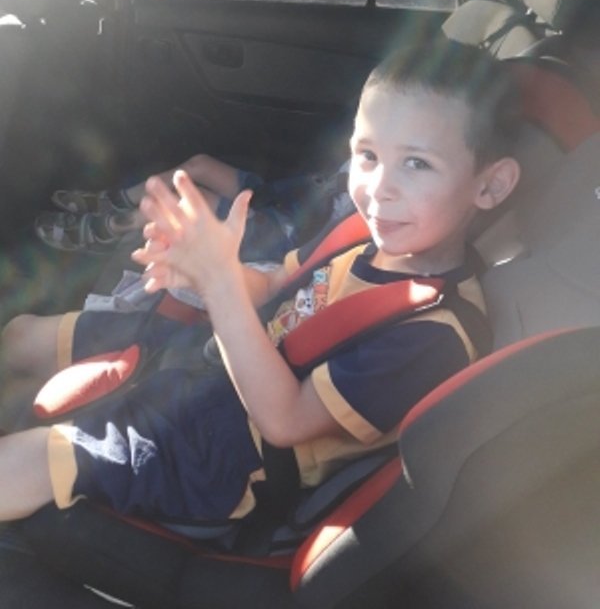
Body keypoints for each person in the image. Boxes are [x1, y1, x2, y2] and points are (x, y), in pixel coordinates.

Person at [0, 39, 521, 524]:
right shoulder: (359, 234)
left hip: (229, 453)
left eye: (417, 164)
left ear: (491, 186)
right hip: (216, 363)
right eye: (367, 155)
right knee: (21, 336)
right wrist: (208, 271)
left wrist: (220, 285)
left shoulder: (433, 334)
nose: (379, 187)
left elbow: (284, 422)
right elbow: (272, 288)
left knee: (28, 459)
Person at [34, 153, 353, 262]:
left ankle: (102, 232)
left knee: (186, 198)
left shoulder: (371, 206)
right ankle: (112, 202)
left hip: (279, 234)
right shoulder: (369, 153)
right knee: (198, 165)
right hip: (283, 201)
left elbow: (323, 238)